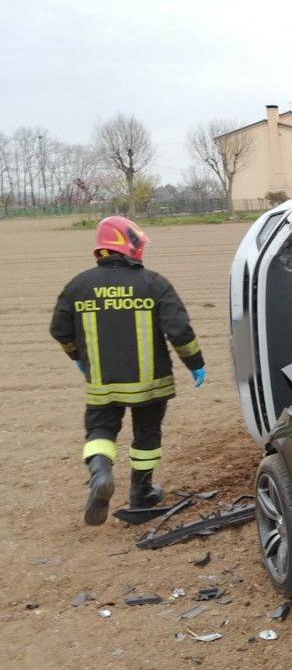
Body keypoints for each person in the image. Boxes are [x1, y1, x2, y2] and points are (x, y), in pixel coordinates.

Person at [50, 216, 206, 526]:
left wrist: (77, 356)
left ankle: (100, 472)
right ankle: (141, 493)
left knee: (100, 430)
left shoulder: (78, 285)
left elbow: (60, 329)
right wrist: (196, 363)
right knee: (146, 433)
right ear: (129, 244)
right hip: (151, 384)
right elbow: (179, 331)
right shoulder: (154, 283)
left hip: (102, 383)